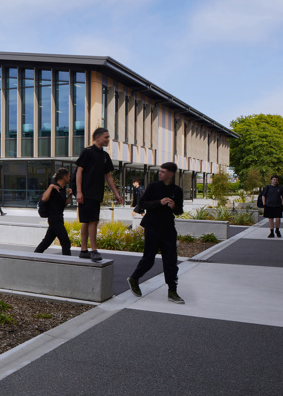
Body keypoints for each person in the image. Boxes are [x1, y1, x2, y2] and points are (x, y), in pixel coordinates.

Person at [127, 162, 185, 304]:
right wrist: (159, 202)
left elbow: (179, 211)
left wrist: (173, 206)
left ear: (171, 174)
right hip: (152, 226)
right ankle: (134, 278)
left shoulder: (177, 190)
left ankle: (172, 291)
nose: (160, 173)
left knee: (171, 260)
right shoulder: (153, 187)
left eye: (163, 171)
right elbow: (142, 204)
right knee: (149, 259)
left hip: (168, 228)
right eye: (160, 171)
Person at [74, 127, 124, 261]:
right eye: (106, 137)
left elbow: (109, 176)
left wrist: (116, 194)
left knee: (87, 221)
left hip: (97, 193)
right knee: (93, 221)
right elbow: (79, 171)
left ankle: (84, 250)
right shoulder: (87, 152)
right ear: (97, 138)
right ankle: (94, 250)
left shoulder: (105, 156)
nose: (108, 140)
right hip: (86, 192)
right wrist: (79, 191)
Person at [34, 168, 73, 256]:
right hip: (54, 218)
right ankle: (68, 262)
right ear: (64, 177)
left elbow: (64, 204)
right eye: (69, 176)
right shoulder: (54, 187)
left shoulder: (63, 189)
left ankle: (35, 255)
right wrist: (51, 187)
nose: (69, 178)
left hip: (59, 217)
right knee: (66, 242)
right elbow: (44, 199)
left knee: (47, 241)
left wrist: (70, 194)